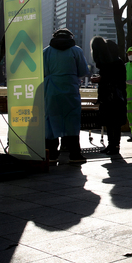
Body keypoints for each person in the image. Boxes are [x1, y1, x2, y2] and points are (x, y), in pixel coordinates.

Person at [43, 28, 89, 164]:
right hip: (70, 89)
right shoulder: (76, 50)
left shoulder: (46, 51)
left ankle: (51, 154)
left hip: (51, 90)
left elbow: (43, 71)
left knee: (51, 120)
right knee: (72, 119)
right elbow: (83, 71)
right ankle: (75, 154)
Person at [90, 37, 127, 156]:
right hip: (115, 97)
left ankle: (114, 146)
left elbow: (116, 79)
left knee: (113, 122)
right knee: (112, 122)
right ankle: (112, 145)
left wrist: (101, 79)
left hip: (112, 97)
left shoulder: (111, 63)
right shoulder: (117, 62)